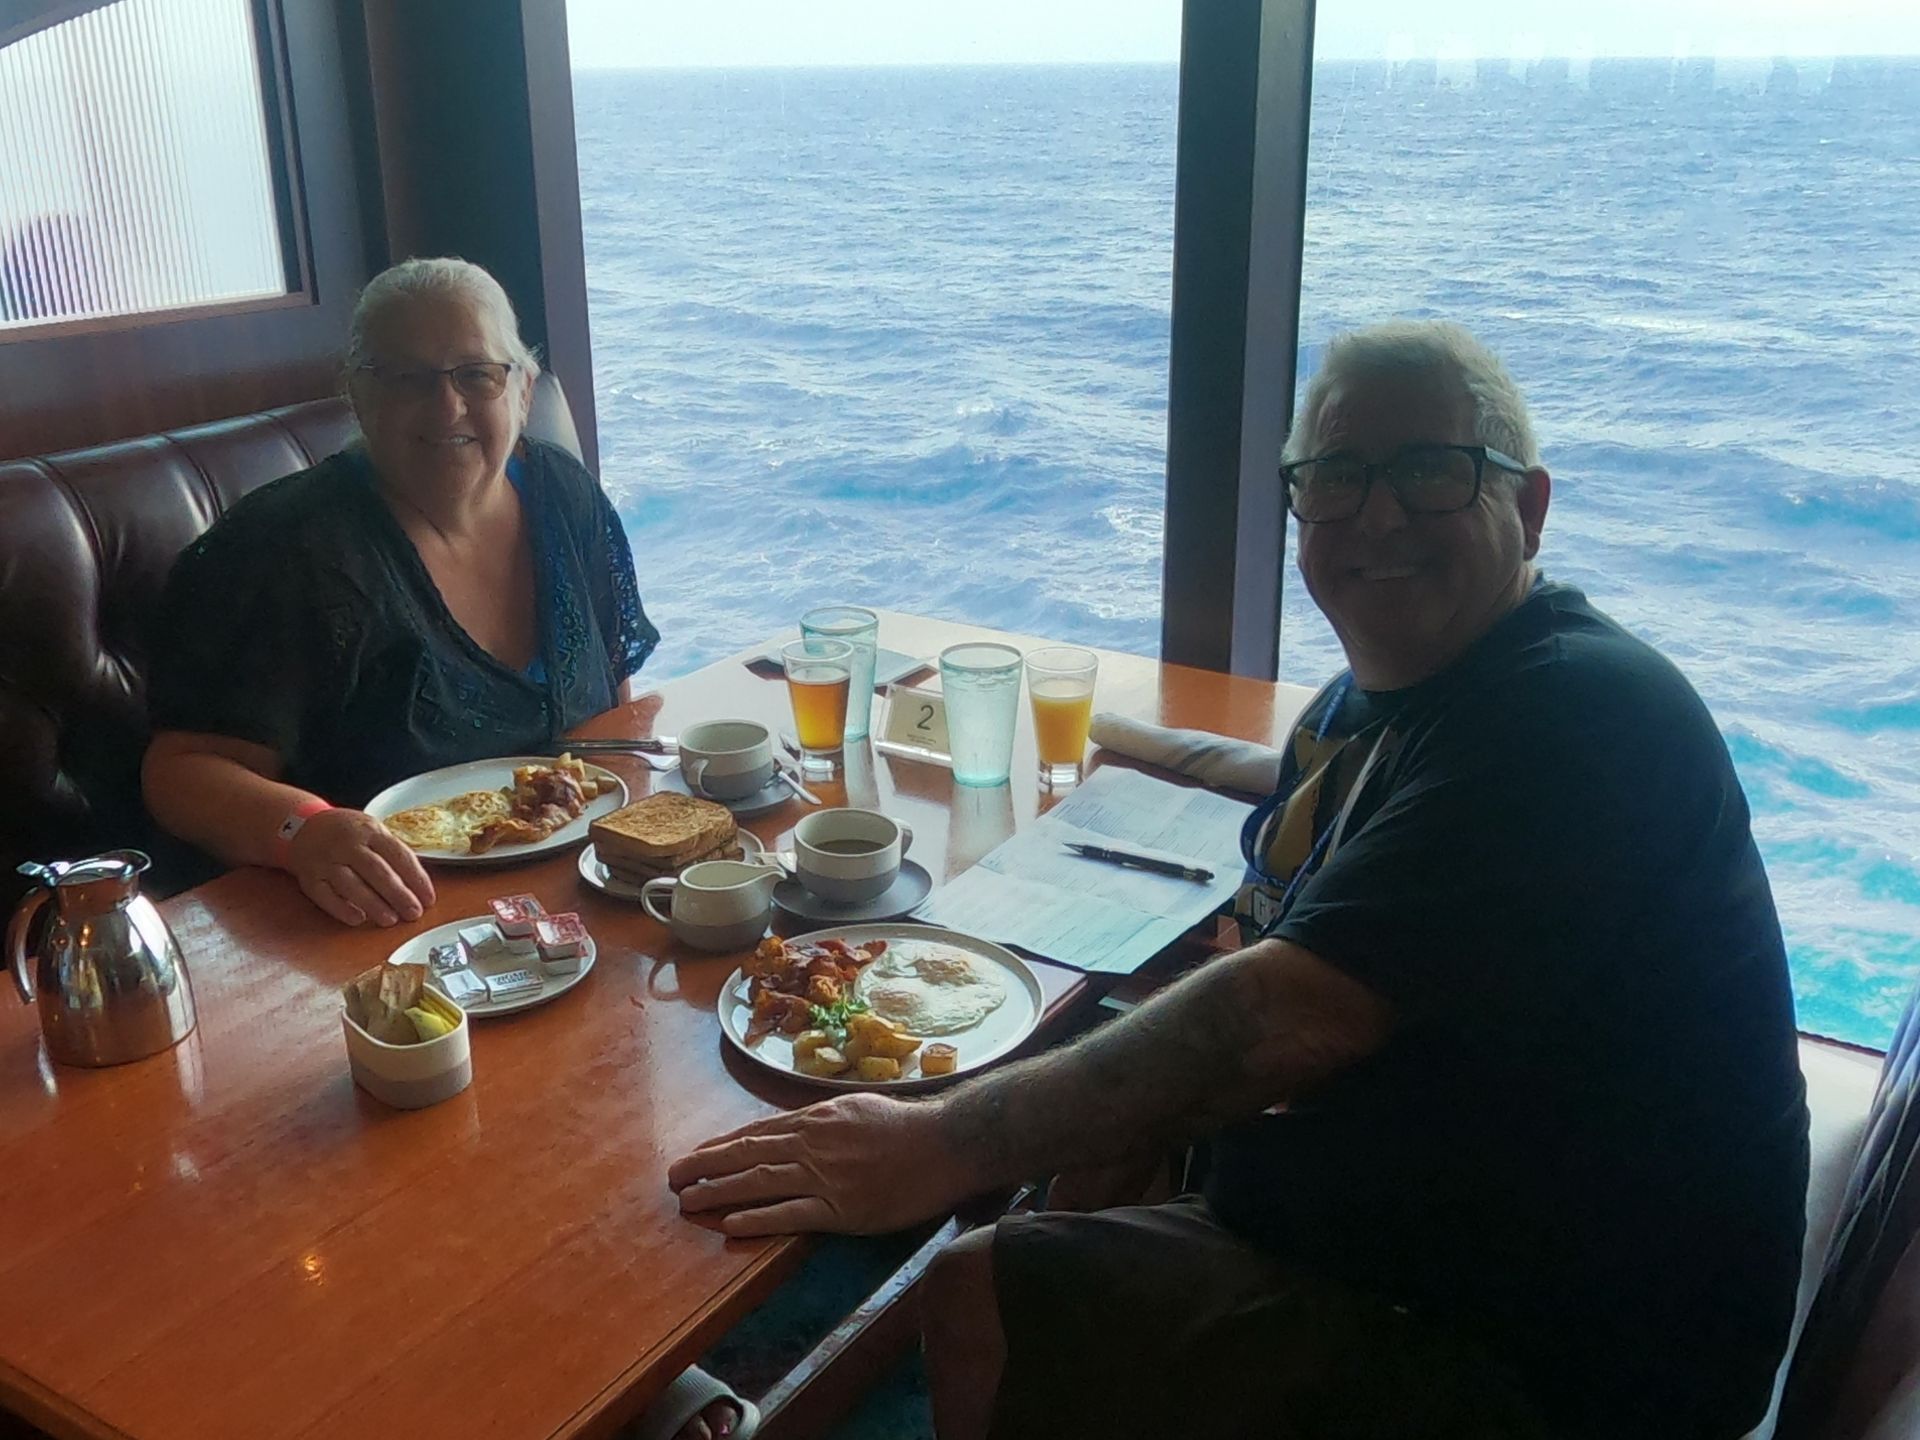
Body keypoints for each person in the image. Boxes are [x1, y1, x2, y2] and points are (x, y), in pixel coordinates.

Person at [669, 321, 1811, 1439]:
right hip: (1473, 1213)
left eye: (1430, 470)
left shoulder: (1573, 719)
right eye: (1337, 477)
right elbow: (1306, 919)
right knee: (1093, 1146)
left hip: (1573, 1357)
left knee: (982, 1286)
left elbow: (1273, 1021)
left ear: (1531, 504)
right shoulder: (1416, 694)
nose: (1376, 513)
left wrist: (935, 1144)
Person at [142, 257, 658, 929]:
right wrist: (304, 832)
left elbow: (613, 704)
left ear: (524, 391)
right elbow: (181, 772)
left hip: (582, 901)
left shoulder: (565, 495)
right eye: (406, 379)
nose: (447, 407)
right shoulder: (286, 551)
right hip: (383, 929)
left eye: (477, 373)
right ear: (358, 396)